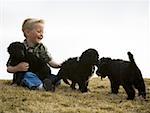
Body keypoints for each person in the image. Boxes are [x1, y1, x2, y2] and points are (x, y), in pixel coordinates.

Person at [6, 18, 61, 91]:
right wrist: (17, 68)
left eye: (42, 32)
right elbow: (9, 68)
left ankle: (49, 83)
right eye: (39, 31)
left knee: (55, 78)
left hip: (41, 74)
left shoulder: (41, 48)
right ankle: (40, 87)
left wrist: (59, 65)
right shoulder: (18, 48)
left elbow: (49, 61)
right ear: (28, 32)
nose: (41, 34)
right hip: (26, 74)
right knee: (28, 76)